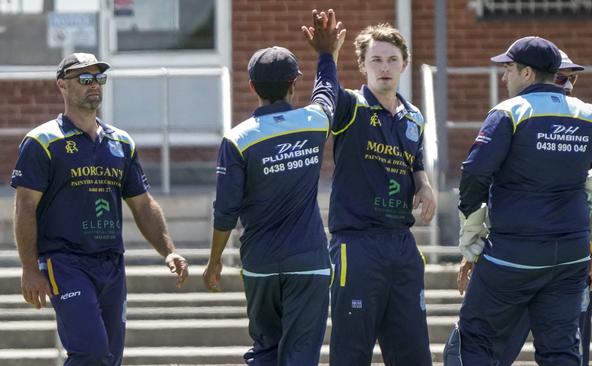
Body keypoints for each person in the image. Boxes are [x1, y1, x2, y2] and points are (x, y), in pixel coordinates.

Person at [444, 36, 592, 365]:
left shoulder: (512, 111)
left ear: (527, 73)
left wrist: (470, 224)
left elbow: (475, 172)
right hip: (569, 259)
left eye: (508, 69)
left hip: (513, 254)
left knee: (474, 339)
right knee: (561, 350)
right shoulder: (589, 114)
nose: (502, 77)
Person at [11, 53, 189, 366]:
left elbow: (143, 204)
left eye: (98, 78)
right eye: (84, 78)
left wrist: (169, 251)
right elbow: (25, 207)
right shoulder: (41, 141)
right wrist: (29, 268)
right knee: (90, 351)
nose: (94, 85)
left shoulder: (121, 142)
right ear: (62, 86)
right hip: (64, 263)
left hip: (111, 263)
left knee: (110, 357)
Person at [202, 9, 345, 366]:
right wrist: (326, 54)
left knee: (266, 351)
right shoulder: (313, 122)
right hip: (309, 261)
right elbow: (327, 91)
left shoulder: (238, 139)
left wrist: (214, 260)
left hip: (261, 262)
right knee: (300, 355)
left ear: (252, 87)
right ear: (294, 84)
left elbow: (226, 210)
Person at [327, 23, 436, 366]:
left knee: (414, 353)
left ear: (404, 63)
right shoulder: (350, 107)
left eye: (392, 59)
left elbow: (413, 158)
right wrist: (327, 55)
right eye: (376, 60)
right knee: (351, 353)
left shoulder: (414, 117)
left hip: (401, 245)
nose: (384, 67)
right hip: (356, 244)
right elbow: (326, 92)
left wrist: (423, 182)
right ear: (362, 65)